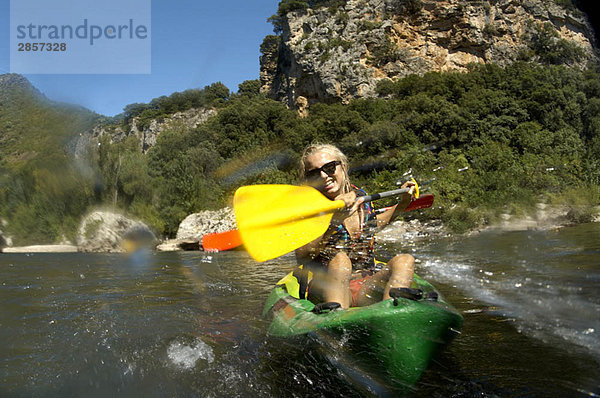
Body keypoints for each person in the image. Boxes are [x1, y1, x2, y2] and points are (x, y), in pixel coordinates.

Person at [295, 143, 417, 309]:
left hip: (365, 285)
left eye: (330, 167)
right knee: (340, 260)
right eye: (315, 173)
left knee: (405, 261)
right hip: (326, 288)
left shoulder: (361, 197)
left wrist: (402, 203)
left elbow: (372, 224)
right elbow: (302, 256)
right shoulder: (310, 209)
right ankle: (337, 319)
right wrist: (334, 221)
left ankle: (391, 316)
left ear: (343, 167)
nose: (324, 176)